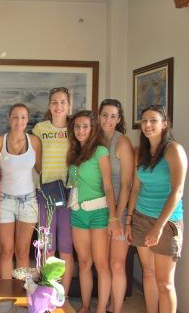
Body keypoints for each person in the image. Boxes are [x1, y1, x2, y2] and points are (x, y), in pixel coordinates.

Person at [125, 105, 186, 313]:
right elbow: (135, 188)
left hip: (166, 223)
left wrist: (158, 227)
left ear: (165, 124)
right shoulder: (140, 152)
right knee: (148, 274)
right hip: (141, 217)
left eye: (153, 120)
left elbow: (177, 192)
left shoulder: (173, 150)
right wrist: (129, 220)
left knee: (165, 283)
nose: (147, 125)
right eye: (144, 121)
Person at [67, 110, 120, 313]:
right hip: (77, 213)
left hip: (98, 212)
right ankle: (86, 306)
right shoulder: (73, 152)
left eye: (85, 126)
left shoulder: (101, 151)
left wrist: (114, 217)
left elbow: (108, 187)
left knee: (101, 264)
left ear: (93, 129)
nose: (81, 130)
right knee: (84, 262)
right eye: (77, 126)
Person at [33, 87, 74, 295]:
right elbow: (33, 161)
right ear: (49, 105)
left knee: (66, 246)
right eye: (55, 102)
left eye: (63, 102)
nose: (59, 106)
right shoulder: (40, 128)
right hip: (45, 194)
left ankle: (63, 296)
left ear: (69, 105)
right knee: (47, 246)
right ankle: (47, 294)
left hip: (68, 195)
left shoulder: (75, 128)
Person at [0, 103, 41, 279]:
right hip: (4, 201)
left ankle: (23, 294)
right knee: (6, 251)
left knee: (22, 252)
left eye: (23, 117)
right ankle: (6, 296)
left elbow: (40, 169)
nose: (19, 121)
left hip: (29, 201)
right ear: (9, 119)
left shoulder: (34, 141)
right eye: (15, 117)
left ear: (27, 120)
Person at [98, 99, 134, 313]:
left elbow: (127, 184)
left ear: (119, 119)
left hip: (119, 211)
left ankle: (116, 308)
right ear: (99, 116)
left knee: (118, 264)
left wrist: (117, 219)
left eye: (113, 116)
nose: (108, 120)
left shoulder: (123, 143)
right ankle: (108, 303)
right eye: (104, 115)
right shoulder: (96, 140)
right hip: (100, 209)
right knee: (105, 264)